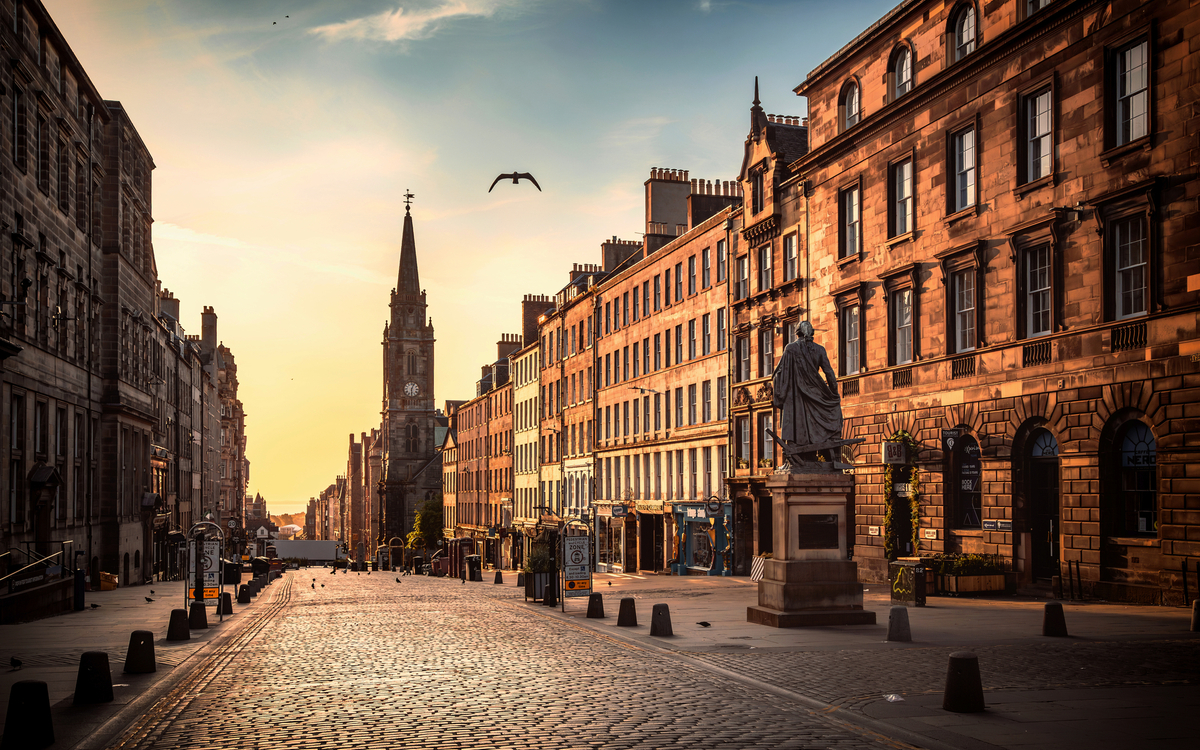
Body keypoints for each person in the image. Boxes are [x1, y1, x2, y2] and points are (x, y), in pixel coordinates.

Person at [772, 321, 842, 462]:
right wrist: (834, 393)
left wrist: (780, 390)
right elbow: (829, 373)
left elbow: (779, 373)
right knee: (834, 410)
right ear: (812, 334)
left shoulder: (790, 349)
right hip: (815, 393)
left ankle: (802, 448)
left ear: (797, 333)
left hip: (797, 394)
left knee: (799, 419)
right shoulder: (820, 350)